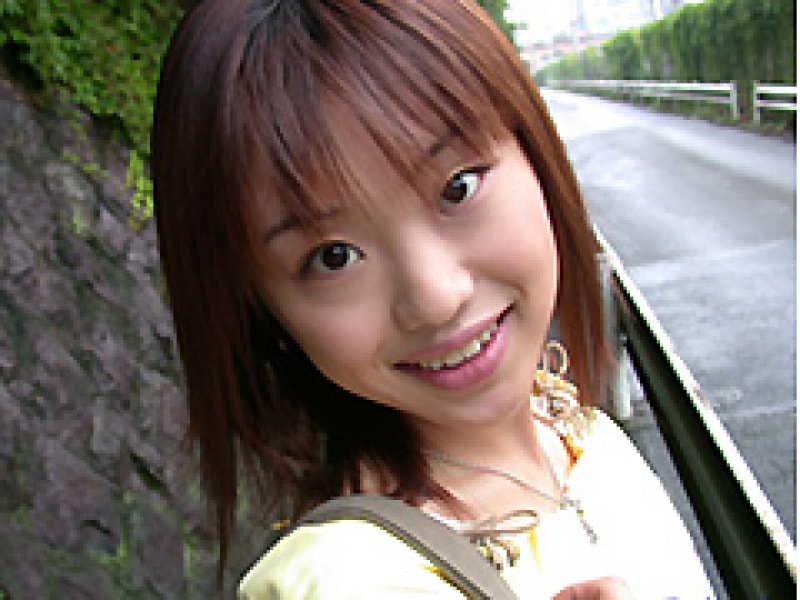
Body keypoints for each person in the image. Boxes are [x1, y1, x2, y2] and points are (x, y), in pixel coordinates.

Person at [151, 0, 715, 598]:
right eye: (333, 256)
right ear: (261, 310)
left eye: (458, 187)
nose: (436, 297)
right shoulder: (350, 584)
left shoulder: (572, 430)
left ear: (535, 153)